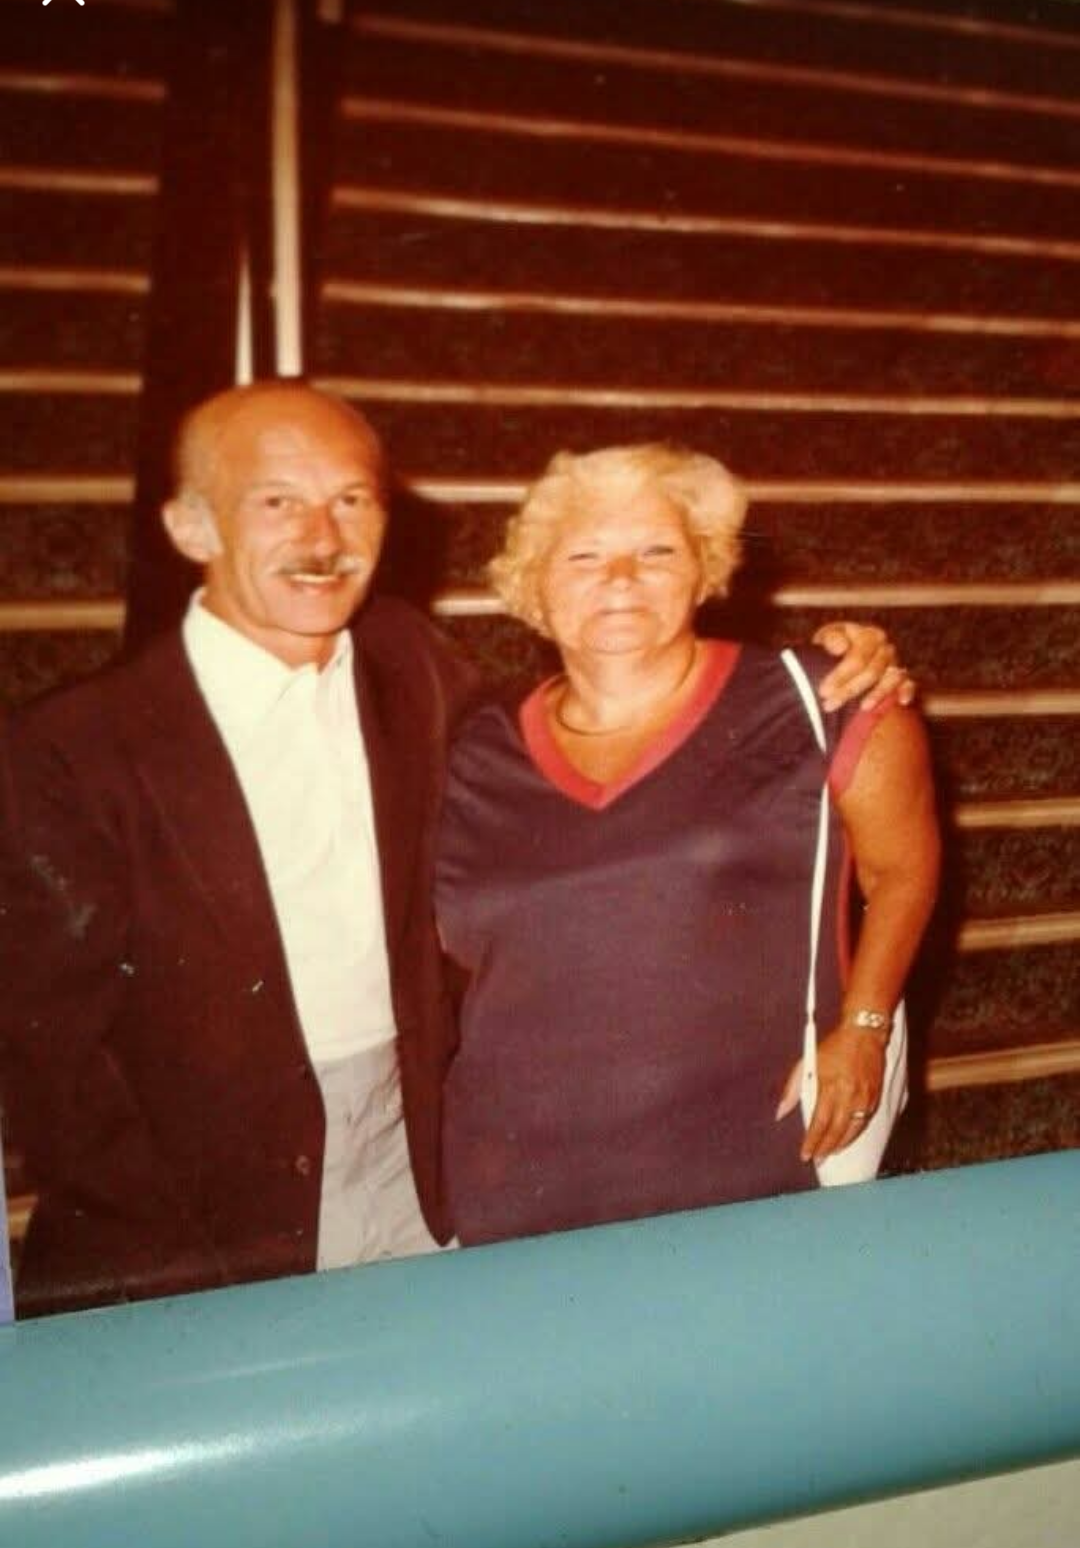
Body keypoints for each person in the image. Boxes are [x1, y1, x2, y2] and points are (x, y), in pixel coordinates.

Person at [0, 385, 913, 1317]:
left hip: (417, 1158)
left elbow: (611, 711)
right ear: (193, 525)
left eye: (352, 500)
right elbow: (53, 1069)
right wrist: (183, 1265)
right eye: (276, 502)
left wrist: (846, 655)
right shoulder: (69, 751)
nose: (323, 537)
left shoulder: (413, 666)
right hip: (197, 1217)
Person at [435, 443, 940, 1246]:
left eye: (657, 552)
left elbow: (902, 869)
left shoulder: (826, 696)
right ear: (534, 585)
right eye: (585, 556)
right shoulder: (474, 743)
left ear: (706, 569)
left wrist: (867, 1024)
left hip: (746, 1154)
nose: (621, 579)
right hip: (518, 1166)